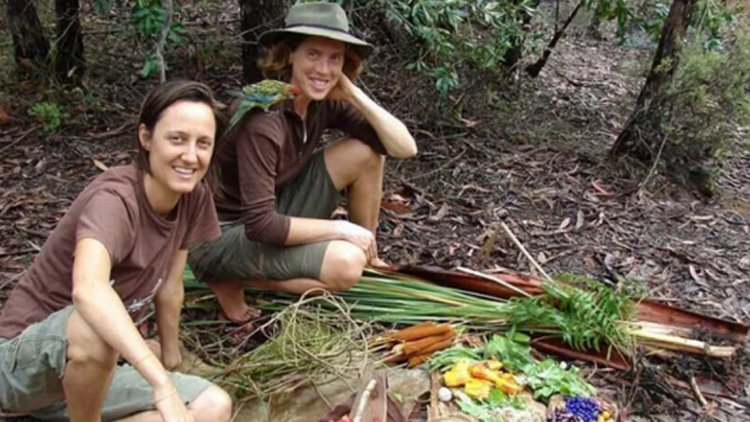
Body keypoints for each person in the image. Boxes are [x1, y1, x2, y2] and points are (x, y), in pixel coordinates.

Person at [0, 80, 233, 422]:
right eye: (177, 139)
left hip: (92, 381)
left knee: (211, 407)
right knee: (93, 326)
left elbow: (170, 286)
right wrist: (159, 382)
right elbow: (89, 290)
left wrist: (172, 360)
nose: (190, 156)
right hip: (25, 370)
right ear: (146, 137)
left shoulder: (192, 198)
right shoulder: (115, 201)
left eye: (203, 144)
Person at [187, 1, 418, 323]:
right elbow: (261, 224)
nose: (323, 69)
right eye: (313, 54)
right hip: (221, 236)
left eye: (334, 58)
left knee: (365, 153)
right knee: (346, 264)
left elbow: (403, 147)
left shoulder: (321, 102)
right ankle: (227, 277)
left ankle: (369, 252)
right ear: (289, 54)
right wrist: (341, 230)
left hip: (273, 207)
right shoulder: (264, 119)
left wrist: (351, 92)